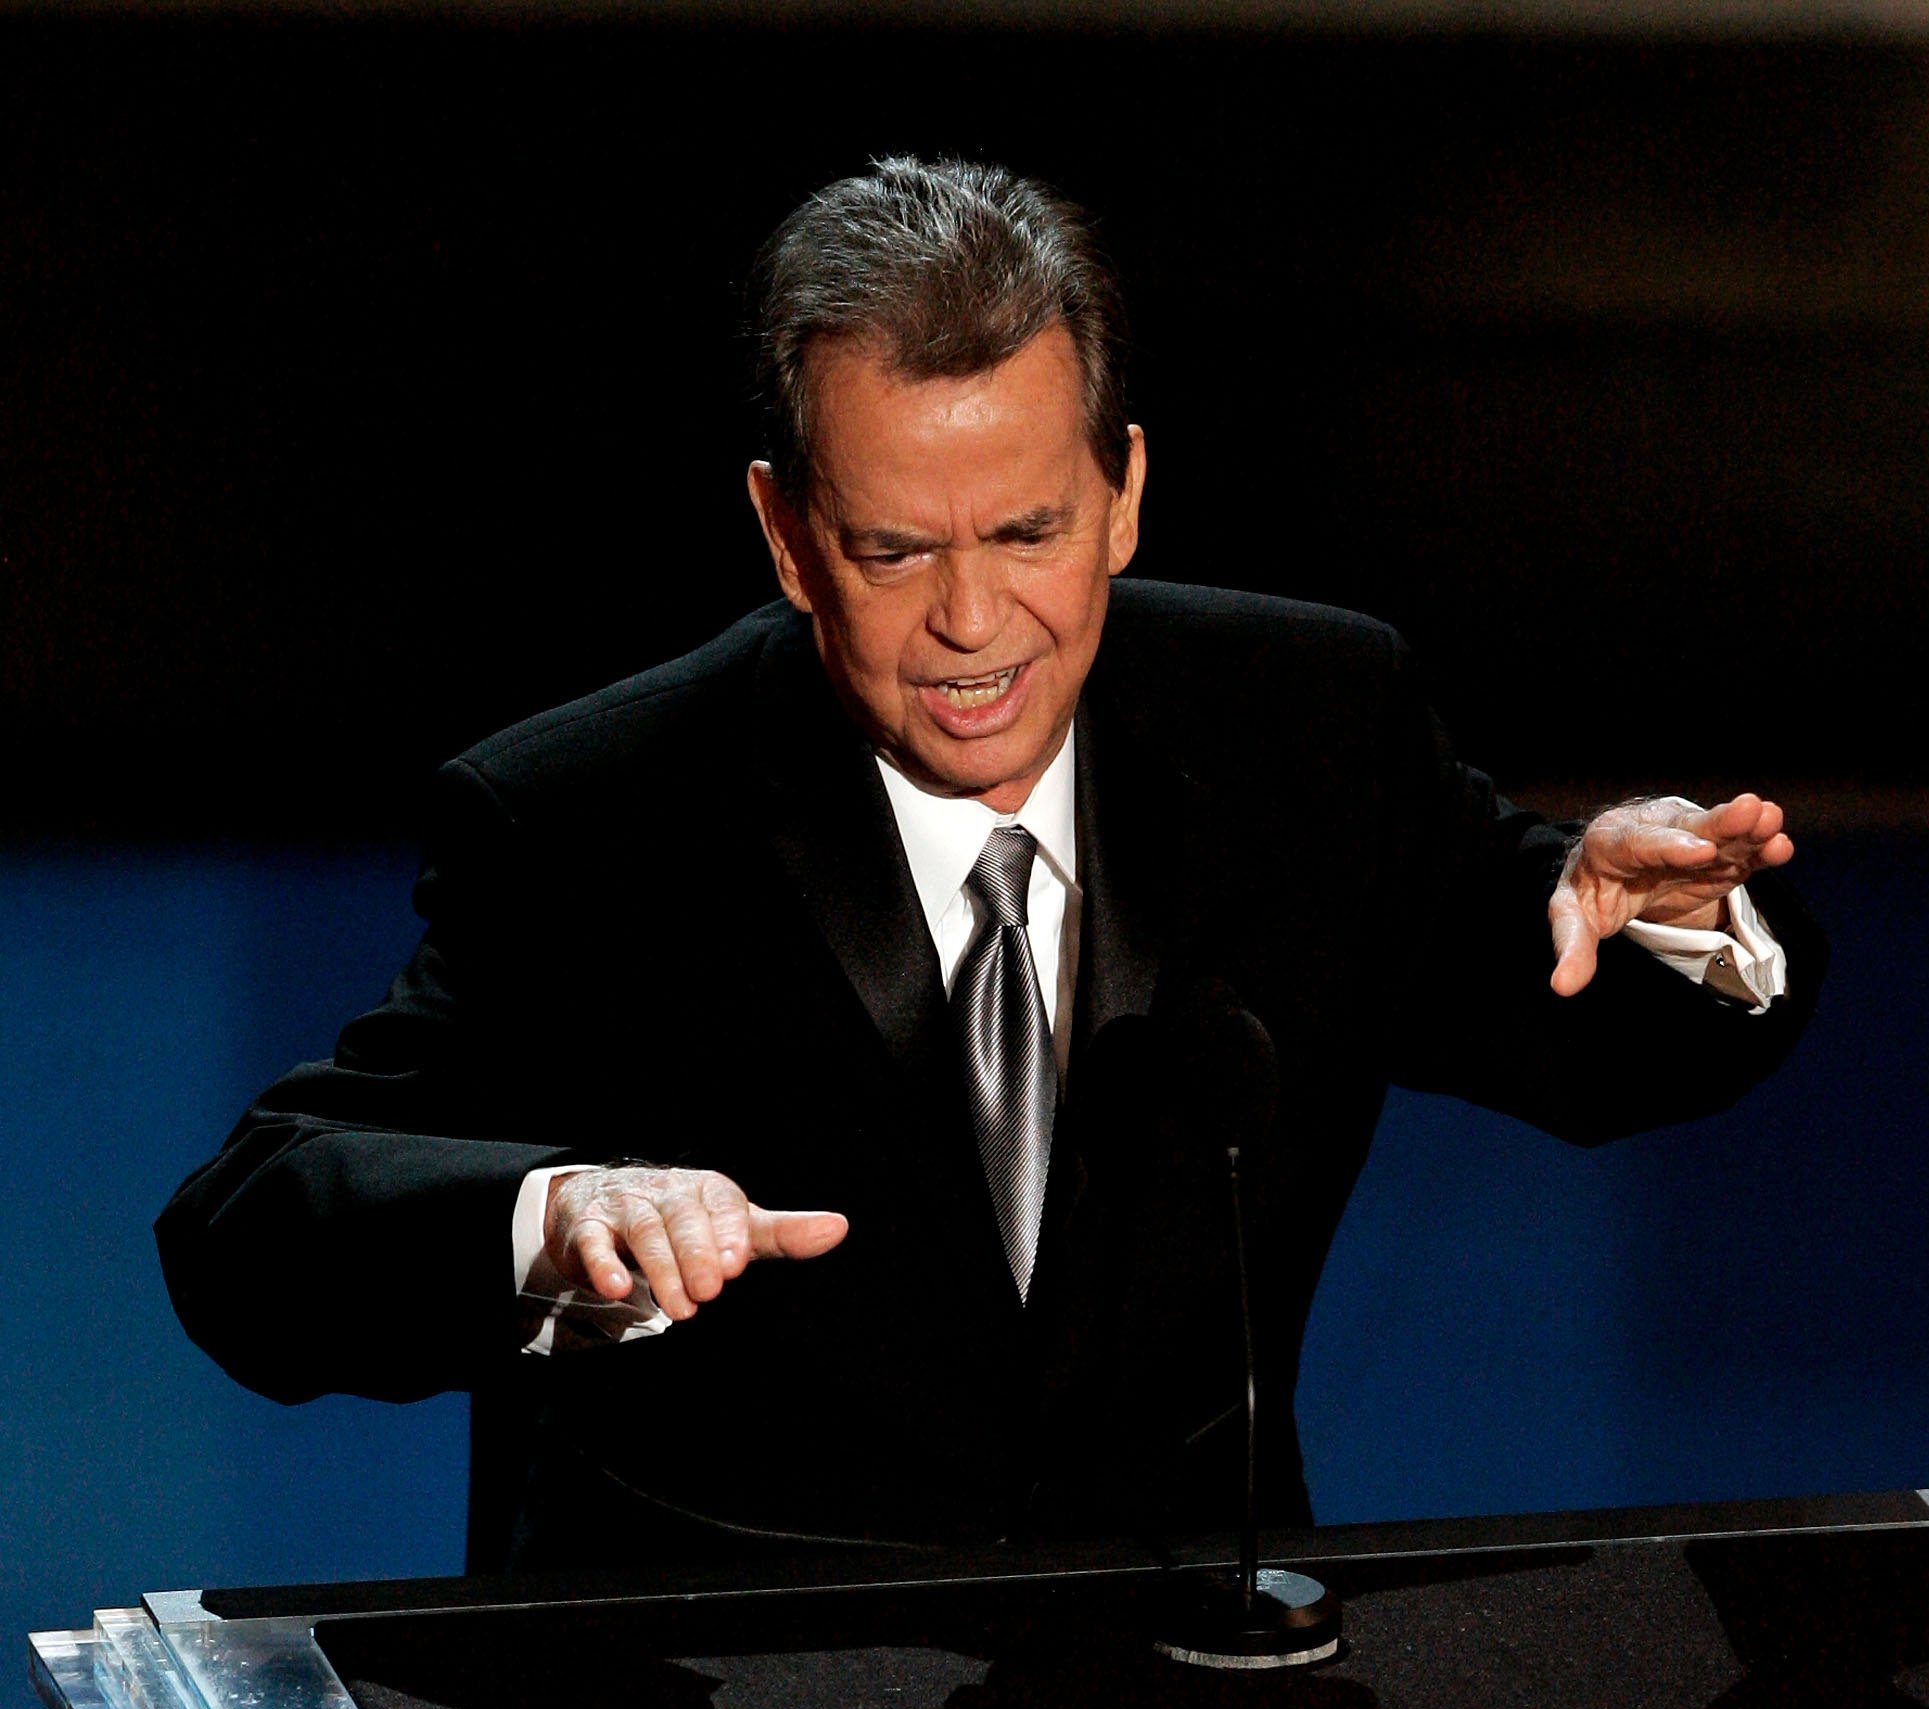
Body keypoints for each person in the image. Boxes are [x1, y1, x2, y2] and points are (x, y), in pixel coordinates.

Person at [157, 157, 1820, 1576]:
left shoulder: (1307, 731)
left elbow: (1595, 1035)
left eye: (1028, 533)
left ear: (1124, 495)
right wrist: (557, 1217)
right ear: (789, 537)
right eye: (895, 550)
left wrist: (1692, 926)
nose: (970, 623)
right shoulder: (595, 817)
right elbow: (250, 1232)